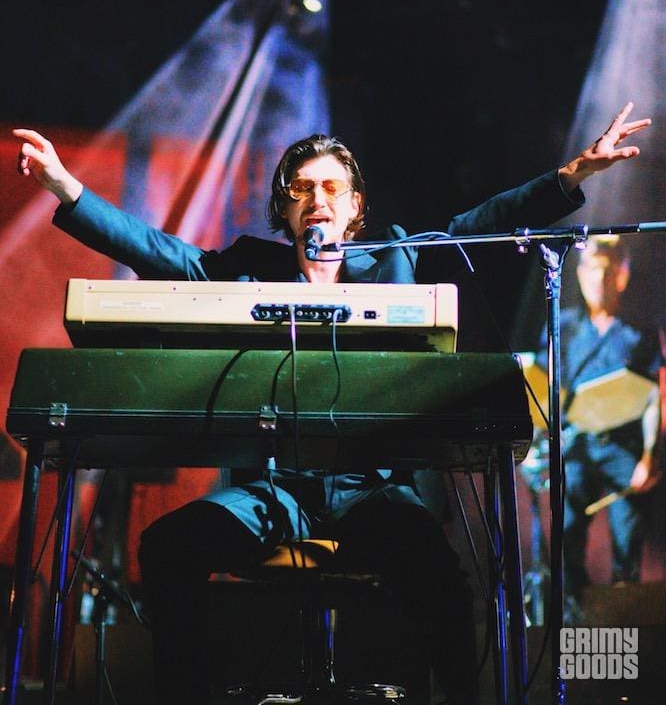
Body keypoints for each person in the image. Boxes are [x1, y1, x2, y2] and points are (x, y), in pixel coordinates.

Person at [13, 102, 650, 704]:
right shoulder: (247, 267)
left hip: (370, 492)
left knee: (439, 572)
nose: (316, 198)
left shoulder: (395, 259)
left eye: (331, 188)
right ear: (285, 208)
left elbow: (476, 226)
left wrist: (571, 176)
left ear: (354, 207)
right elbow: (158, 252)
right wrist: (68, 189)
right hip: (272, 491)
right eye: (301, 189)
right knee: (168, 546)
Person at [533, 235, 663, 621]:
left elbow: (653, 397)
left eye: (607, 272)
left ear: (622, 276)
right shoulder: (564, 327)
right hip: (577, 447)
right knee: (567, 537)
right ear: (579, 273)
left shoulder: (638, 330)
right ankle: (577, 620)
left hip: (623, 449)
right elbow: (541, 390)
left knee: (627, 543)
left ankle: (626, 623)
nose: (598, 280)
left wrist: (649, 457)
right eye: (591, 270)